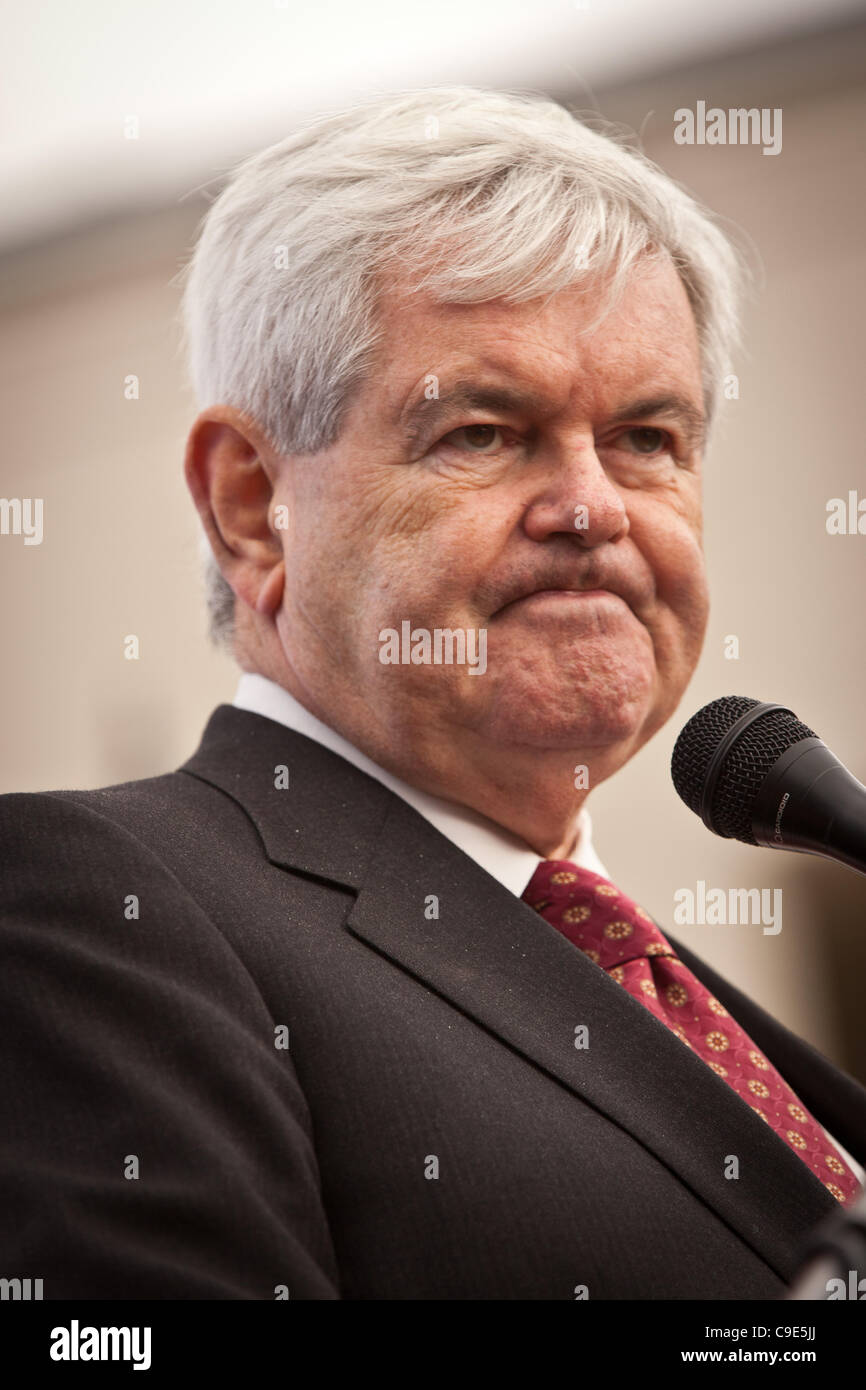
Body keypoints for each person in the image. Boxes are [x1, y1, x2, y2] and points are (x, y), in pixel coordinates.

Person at [2, 85, 865, 1301]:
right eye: (482, 431)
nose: (591, 506)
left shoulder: (652, 987)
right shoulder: (90, 907)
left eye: (646, 437)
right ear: (254, 506)